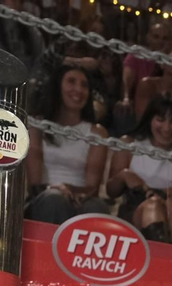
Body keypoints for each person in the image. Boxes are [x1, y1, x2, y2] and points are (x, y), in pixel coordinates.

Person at [105, 93, 172, 245]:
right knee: (154, 205)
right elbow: (111, 191)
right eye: (160, 120)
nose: (166, 128)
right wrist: (123, 176)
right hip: (134, 208)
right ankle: (160, 258)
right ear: (150, 119)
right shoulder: (130, 144)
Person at [26, 64, 112, 225]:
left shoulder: (98, 133)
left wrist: (69, 189)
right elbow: (34, 184)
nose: (78, 89)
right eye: (71, 82)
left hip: (80, 199)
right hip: (45, 196)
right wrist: (57, 188)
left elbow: (92, 187)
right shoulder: (36, 126)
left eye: (84, 85)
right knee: (54, 200)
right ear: (57, 87)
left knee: (96, 208)